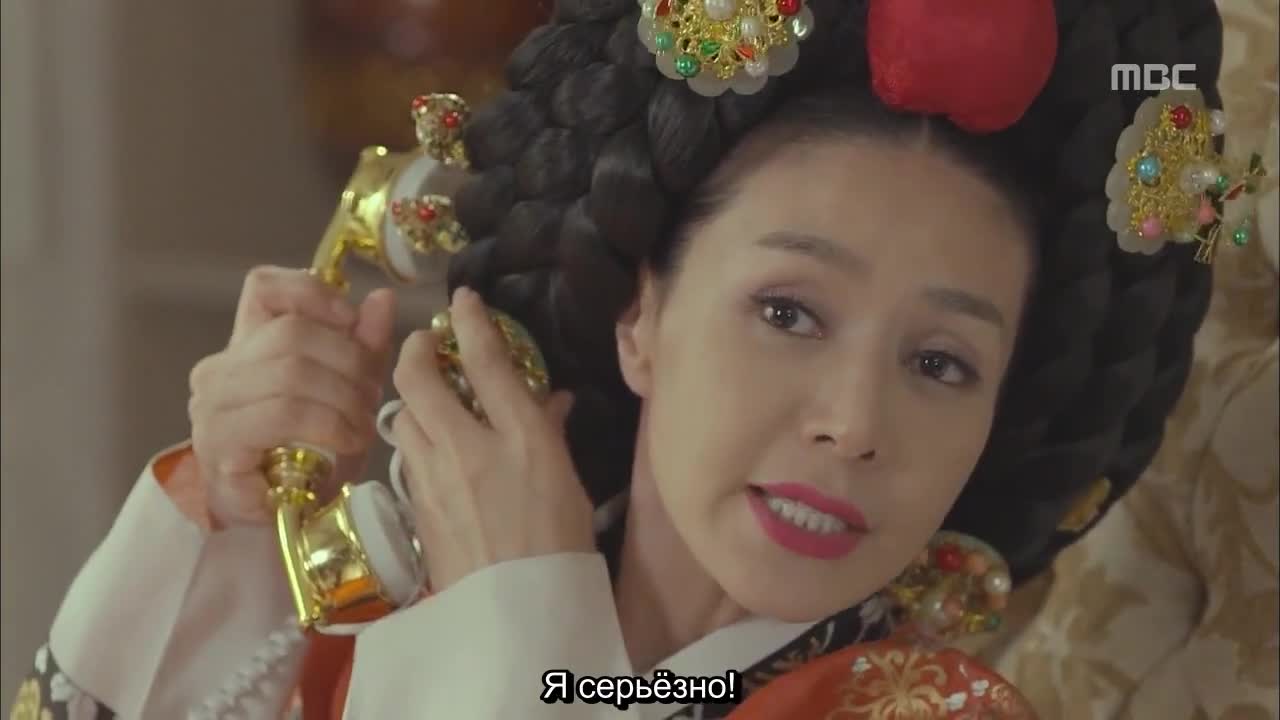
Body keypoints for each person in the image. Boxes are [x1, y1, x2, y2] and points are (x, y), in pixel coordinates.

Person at [9, 0, 1264, 717]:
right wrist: (231, 528)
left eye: (939, 365)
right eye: (788, 311)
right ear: (638, 312)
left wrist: (522, 616)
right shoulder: (375, 618)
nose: (852, 422)